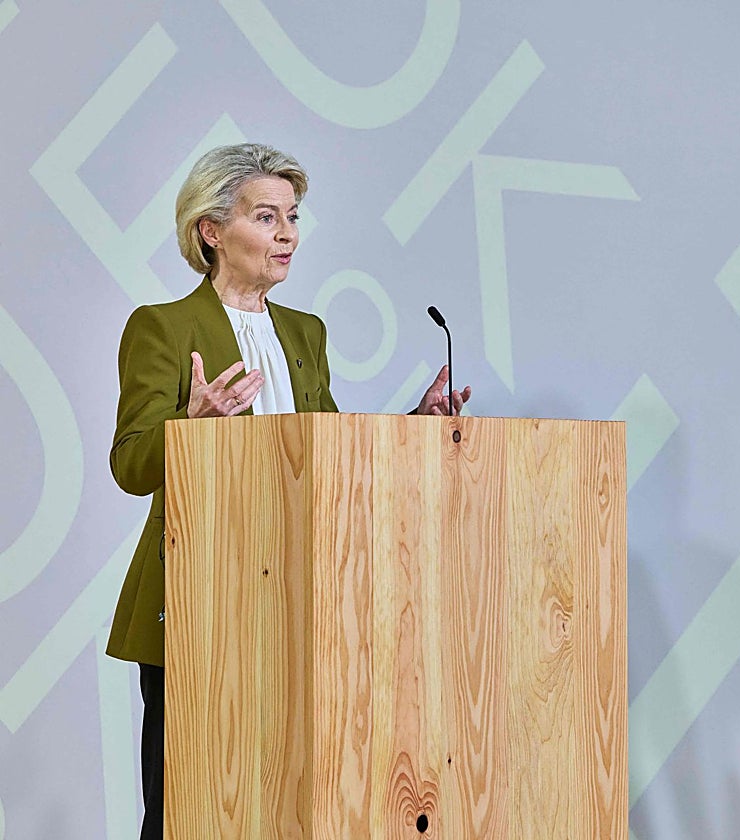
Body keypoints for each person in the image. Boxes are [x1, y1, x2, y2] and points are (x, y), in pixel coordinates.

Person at [106, 143, 470, 839]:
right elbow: (130, 464)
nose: (287, 235)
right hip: (203, 596)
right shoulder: (163, 327)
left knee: (289, 802)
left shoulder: (306, 332)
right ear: (211, 231)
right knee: (186, 808)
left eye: (293, 217)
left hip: (301, 600)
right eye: (266, 217)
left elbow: (328, 453)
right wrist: (190, 427)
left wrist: (416, 426)